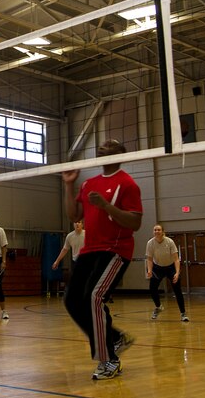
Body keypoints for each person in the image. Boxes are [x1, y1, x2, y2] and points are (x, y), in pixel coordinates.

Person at [62, 139, 143, 380]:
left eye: (110, 145)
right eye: (102, 145)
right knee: (72, 300)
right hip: (90, 250)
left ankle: (108, 360)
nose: (103, 146)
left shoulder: (127, 184)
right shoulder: (88, 183)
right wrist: (69, 186)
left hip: (115, 250)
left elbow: (135, 223)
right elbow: (73, 215)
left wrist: (106, 206)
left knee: (94, 297)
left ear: (119, 154)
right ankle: (114, 338)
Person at [146, 224, 189, 322]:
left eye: (158, 230)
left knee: (177, 290)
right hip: (157, 268)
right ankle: (158, 307)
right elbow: (149, 259)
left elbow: (176, 259)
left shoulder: (169, 241)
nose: (156, 231)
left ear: (163, 232)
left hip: (170, 268)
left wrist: (177, 273)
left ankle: (183, 314)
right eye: (155, 230)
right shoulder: (150, 243)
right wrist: (149, 270)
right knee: (152, 288)